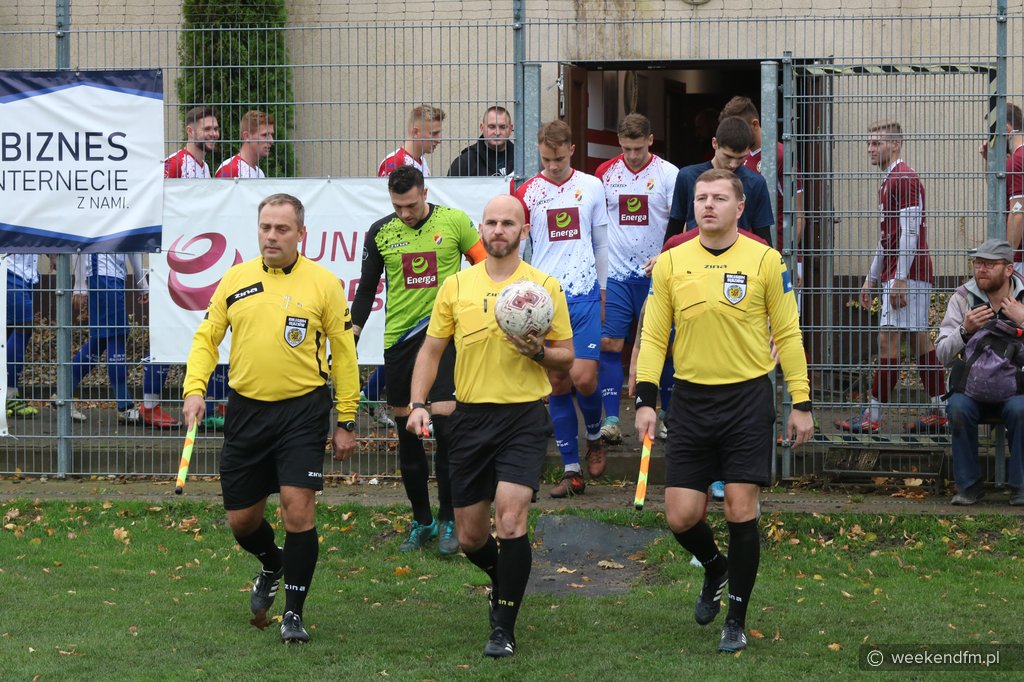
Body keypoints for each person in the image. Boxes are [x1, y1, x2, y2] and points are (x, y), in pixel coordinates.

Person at [634, 168, 814, 653]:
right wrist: (646, 401)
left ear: (740, 207)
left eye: (718, 198)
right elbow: (654, 335)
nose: (708, 205)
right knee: (680, 516)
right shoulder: (672, 262)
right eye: (701, 198)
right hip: (690, 400)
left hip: (747, 400)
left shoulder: (766, 260)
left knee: (739, 508)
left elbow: (788, 334)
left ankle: (735, 619)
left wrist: (801, 402)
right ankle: (716, 569)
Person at [181, 193, 360, 644]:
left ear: (301, 234)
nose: (272, 236)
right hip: (247, 411)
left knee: (298, 509)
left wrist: (346, 419)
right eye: (266, 227)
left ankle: (293, 615)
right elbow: (207, 337)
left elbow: (344, 355)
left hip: (303, 411)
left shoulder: (324, 284)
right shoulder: (235, 279)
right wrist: (194, 389)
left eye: (282, 229)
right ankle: (272, 563)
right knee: (242, 521)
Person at [406, 194, 574, 658]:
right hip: (469, 419)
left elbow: (566, 357)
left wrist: (539, 352)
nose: (499, 230)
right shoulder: (456, 286)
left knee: (511, 518)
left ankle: (503, 627)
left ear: (524, 231)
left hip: (523, 417)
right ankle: (506, 579)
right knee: (471, 537)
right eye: (492, 222)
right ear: (480, 229)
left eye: (509, 223)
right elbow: (431, 351)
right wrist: (418, 403)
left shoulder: (543, 288)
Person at [351, 166, 487, 555]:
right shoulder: (381, 232)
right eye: (398, 207)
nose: (405, 213)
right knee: (408, 436)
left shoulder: (455, 222)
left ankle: (448, 520)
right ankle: (422, 520)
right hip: (399, 343)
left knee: (446, 430)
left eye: (411, 205)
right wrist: (352, 335)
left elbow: (484, 270)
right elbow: (366, 289)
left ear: (425, 193)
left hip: (445, 340)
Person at [515, 120, 609, 497]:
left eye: (559, 158)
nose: (553, 166)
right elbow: (522, 249)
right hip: (546, 301)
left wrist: (604, 290)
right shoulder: (527, 192)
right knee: (557, 382)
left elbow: (601, 243)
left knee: (584, 378)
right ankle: (572, 470)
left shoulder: (592, 186)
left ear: (571, 149)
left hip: (585, 294)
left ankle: (595, 437)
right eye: (546, 159)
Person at [837, 120, 947, 434]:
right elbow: (887, 238)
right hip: (903, 273)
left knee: (889, 340)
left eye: (877, 143)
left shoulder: (903, 178)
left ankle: (873, 416)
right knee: (918, 339)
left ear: (895, 145)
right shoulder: (890, 180)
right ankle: (942, 410)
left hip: (907, 275)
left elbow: (910, 232)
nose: (870, 149)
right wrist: (871, 279)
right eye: (868, 143)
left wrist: (899, 278)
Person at [595, 113, 678, 445]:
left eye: (638, 149)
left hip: (656, 276)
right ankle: (612, 420)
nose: (632, 155)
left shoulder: (668, 174)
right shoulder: (605, 174)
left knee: (665, 347)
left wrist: (666, 256)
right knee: (610, 343)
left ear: (650, 141)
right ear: (619, 142)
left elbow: (682, 224)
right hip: (616, 274)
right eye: (626, 148)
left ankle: (666, 415)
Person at [143, 106, 222, 429]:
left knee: (197, 333)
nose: (214, 134)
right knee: (168, 332)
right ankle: (149, 404)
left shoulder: (206, 168)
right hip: (171, 262)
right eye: (207, 128)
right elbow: (153, 209)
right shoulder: (173, 164)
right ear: (190, 131)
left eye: (215, 128)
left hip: (199, 263)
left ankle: (204, 403)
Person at [935, 238, 1024, 506]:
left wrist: (1022, 319)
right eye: (978, 263)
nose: (981, 269)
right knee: (958, 409)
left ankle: (1020, 486)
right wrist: (964, 330)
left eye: (989, 264)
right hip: (971, 388)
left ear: (1008, 269)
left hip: (1015, 387)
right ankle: (968, 486)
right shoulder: (962, 298)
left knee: (1021, 410)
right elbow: (942, 354)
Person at [719, 96, 806, 282]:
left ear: (755, 125)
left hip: (778, 254)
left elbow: (799, 216)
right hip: (745, 256)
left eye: (740, 128)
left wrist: (784, 259)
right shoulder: (736, 158)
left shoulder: (781, 155)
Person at [666, 116, 774, 245]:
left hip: (738, 254)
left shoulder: (755, 182)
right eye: (728, 156)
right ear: (715, 143)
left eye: (741, 158)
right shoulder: (687, 176)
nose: (733, 164)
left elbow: (763, 237)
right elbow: (675, 226)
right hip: (695, 253)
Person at [68, 254, 148, 423]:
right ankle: (125, 407)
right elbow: (80, 245)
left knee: (102, 339)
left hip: (107, 276)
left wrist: (81, 283)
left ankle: (62, 393)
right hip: (105, 276)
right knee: (117, 335)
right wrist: (79, 285)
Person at [979, 103, 1024, 265]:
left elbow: (1017, 212)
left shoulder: (1016, 161)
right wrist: (989, 160)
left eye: (992, 132)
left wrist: (1005, 260)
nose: (991, 139)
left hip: (1018, 258)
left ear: (1005, 128)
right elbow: (997, 192)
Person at [5, 254, 40, 418]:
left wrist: (52, 253)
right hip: (9, 267)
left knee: (10, 328)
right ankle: (9, 394)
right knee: (24, 325)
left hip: (27, 273)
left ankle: (7, 393)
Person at [447, 105, 515, 178]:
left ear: (510, 129)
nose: (497, 132)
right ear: (482, 128)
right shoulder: (465, 163)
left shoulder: (521, 158)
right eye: (492, 127)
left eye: (503, 127)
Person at [378, 105, 445, 177]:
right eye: (434, 134)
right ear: (415, 132)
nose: (439, 140)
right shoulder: (394, 162)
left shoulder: (421, 161)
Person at [216, 109, 275, 178]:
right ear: (246, 136)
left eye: (271, 135)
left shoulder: (260, 173)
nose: (271, 141)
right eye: (265, 135)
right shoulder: (229, 170)